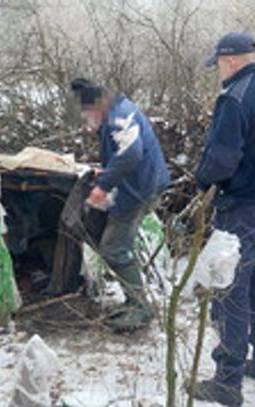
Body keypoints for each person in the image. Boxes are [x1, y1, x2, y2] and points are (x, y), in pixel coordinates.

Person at [194, 33, 255, 406]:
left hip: (242, 210)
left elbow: (221, 160)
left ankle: (227, 381)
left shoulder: (234, 99)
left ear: (232, 60)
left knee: (230, 296)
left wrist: (201, 181)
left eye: (218, 64)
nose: (217, 70)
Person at [70, 78, 170, 331]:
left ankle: (141, 308)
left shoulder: (119, 117)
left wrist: (103, 187)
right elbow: (119, 152)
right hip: (139, 185)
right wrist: (104, 173)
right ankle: (134, 299)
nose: (86, 117)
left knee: (113, 248)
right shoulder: (116, 111)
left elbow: (131, 153)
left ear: (98, 104)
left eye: (88, 111)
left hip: (140, 189)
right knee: (120, 243)